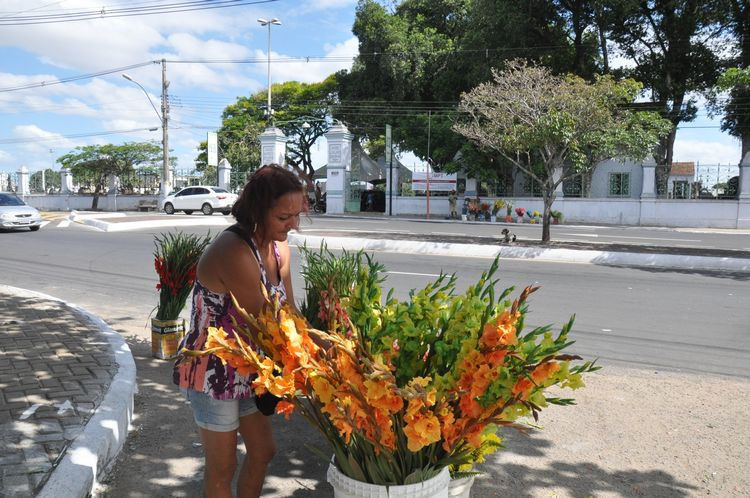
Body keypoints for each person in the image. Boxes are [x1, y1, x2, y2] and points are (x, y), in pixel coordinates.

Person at [173, 164, 306, 498]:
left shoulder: (280, 249)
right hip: (214, 369)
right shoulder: (234, 251)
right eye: (284, 217)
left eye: (297, 214)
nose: (293, 224)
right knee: (222, 469)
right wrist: (314, 364)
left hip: (252, 365)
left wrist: (324, 342)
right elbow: (267, 325)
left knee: (263, 451)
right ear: (258, 211)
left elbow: (289, 312)